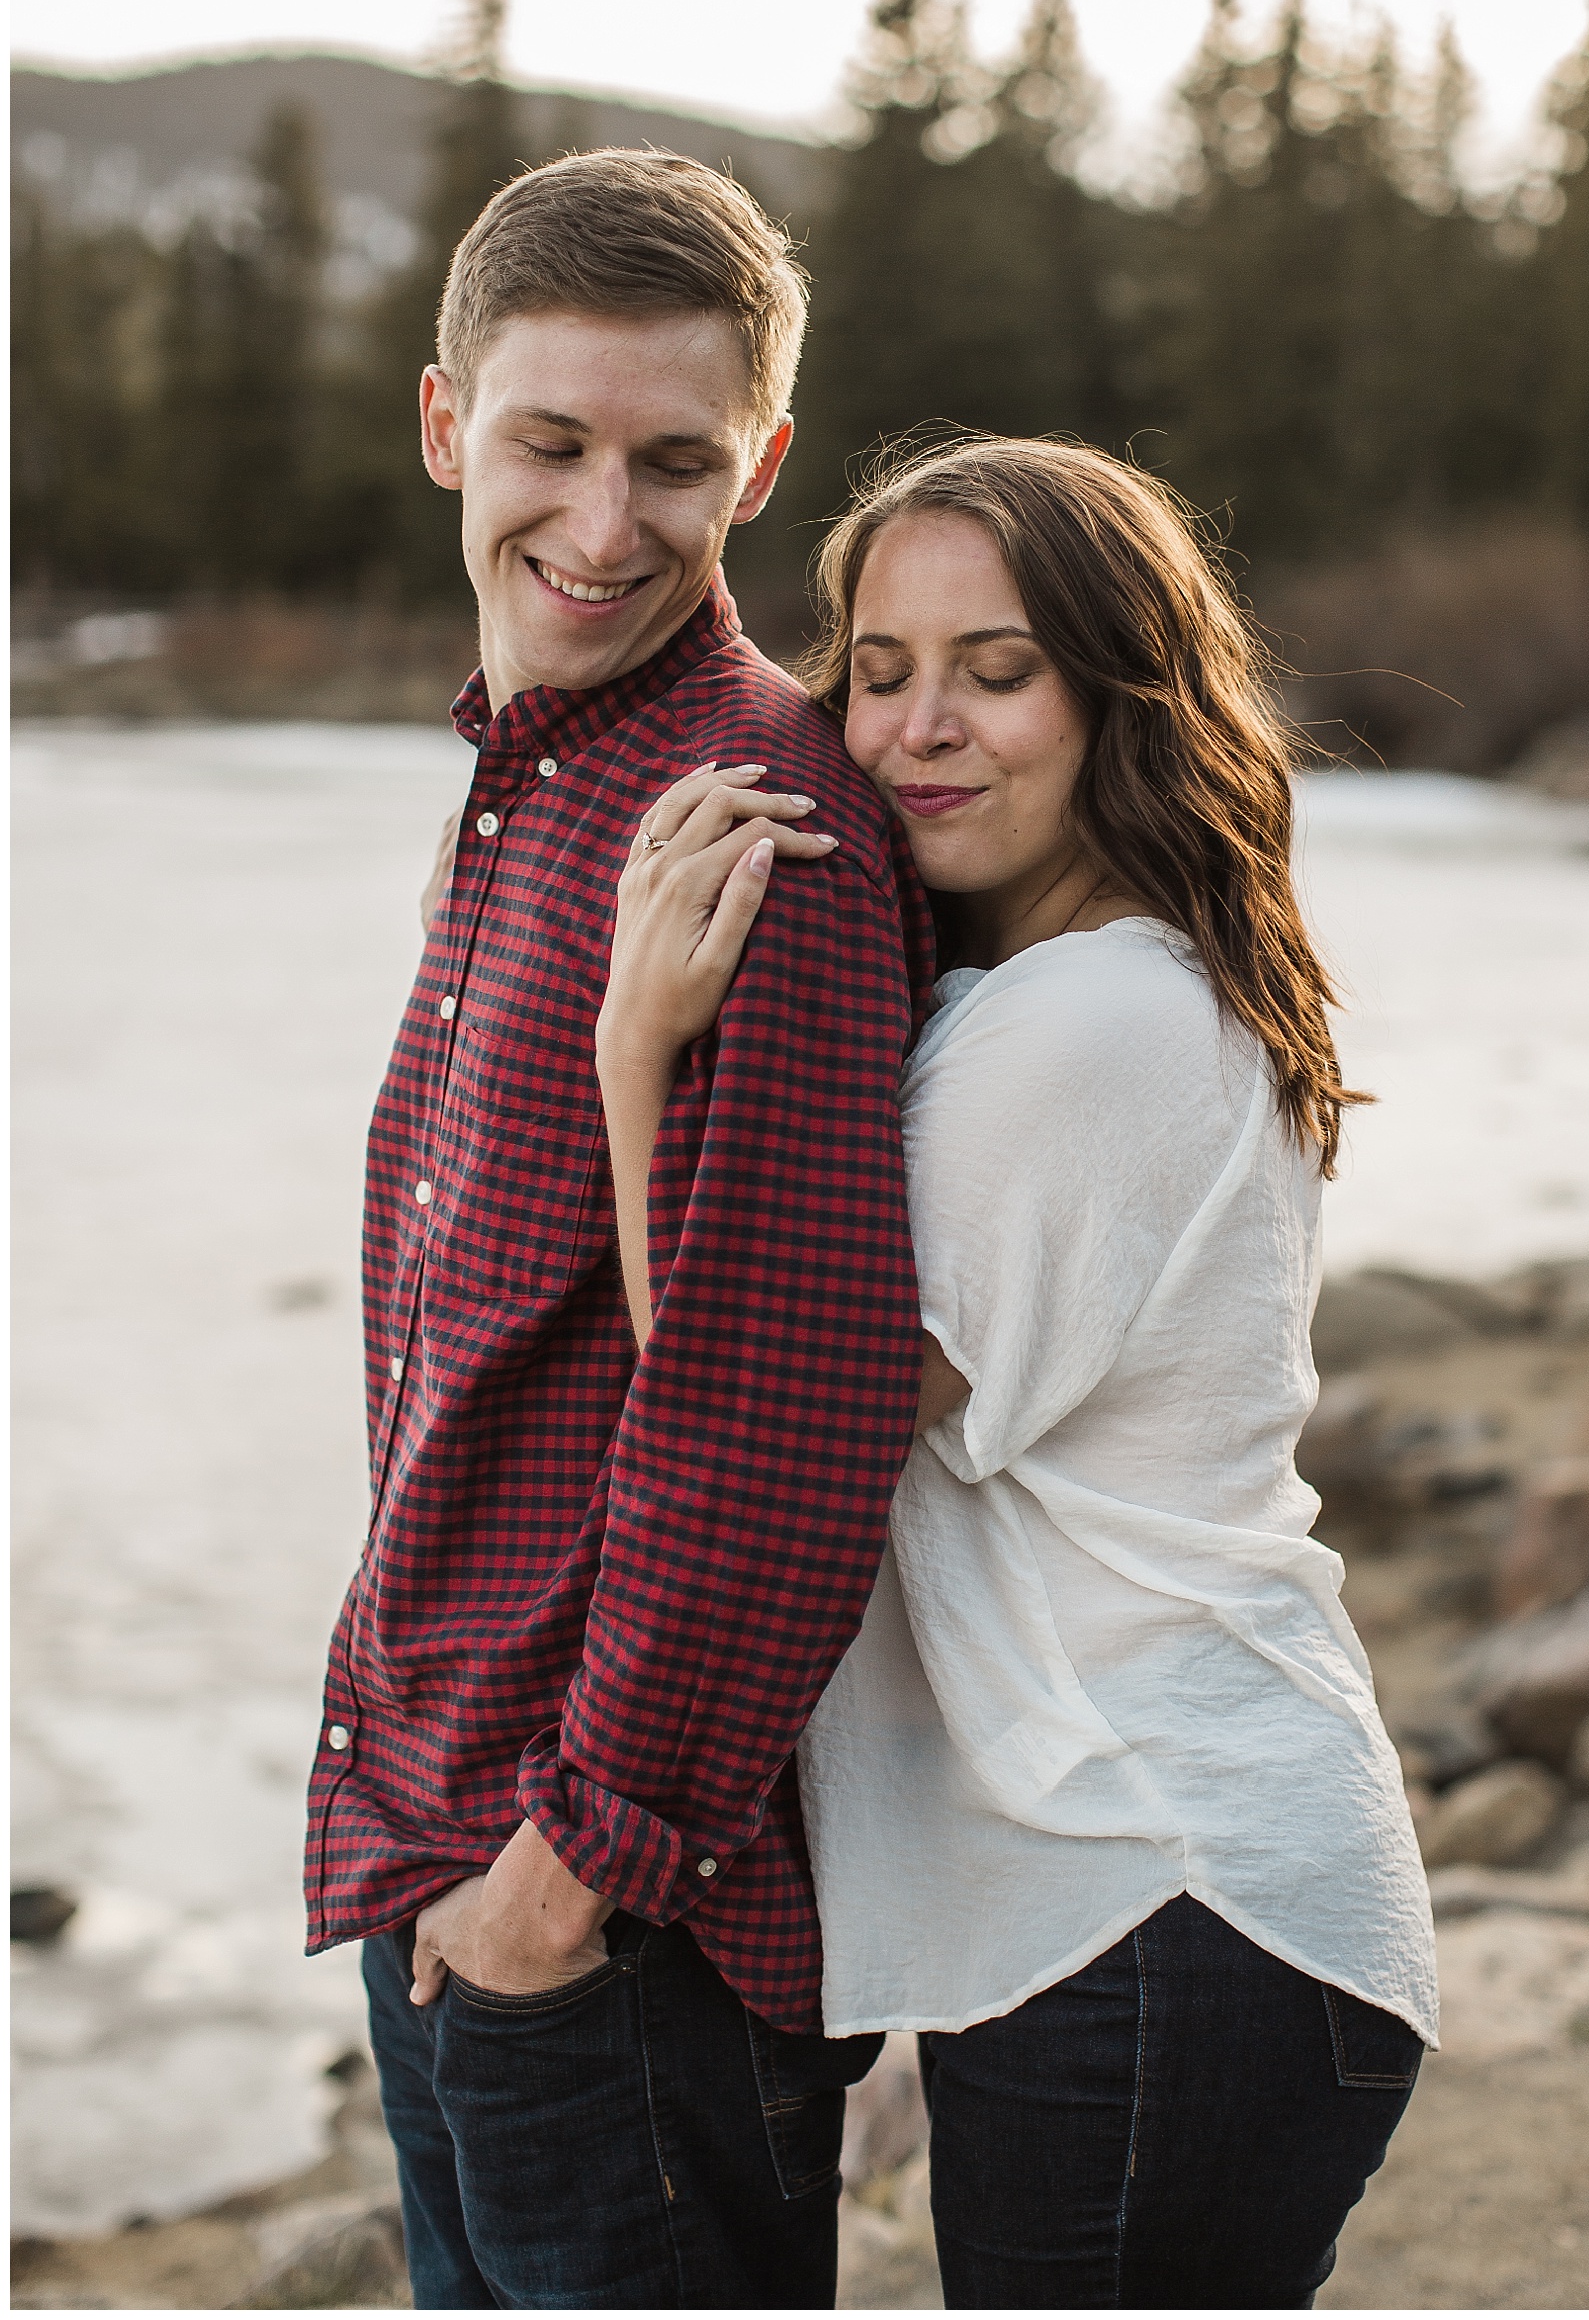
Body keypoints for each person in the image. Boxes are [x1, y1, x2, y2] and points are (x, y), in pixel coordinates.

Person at [596, 436, 1440, 2311]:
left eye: (998, 667)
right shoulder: (1041, 990)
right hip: (1154, 1896)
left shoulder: (1095, 1020)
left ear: (1119, 690)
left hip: (1166, 1889)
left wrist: (635, 1049)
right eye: (880, 669)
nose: (918, 728)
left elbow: (763, 1416)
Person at [305, 149, 939, 2310]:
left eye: (675, 460)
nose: (601, 521)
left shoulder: (755, 833)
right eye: (547, 441)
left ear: (758, 464)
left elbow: (781, 1424)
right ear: (443, 423)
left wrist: (561, 1884)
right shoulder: (530, 795)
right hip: (451, 1856)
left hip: (611, 1929)